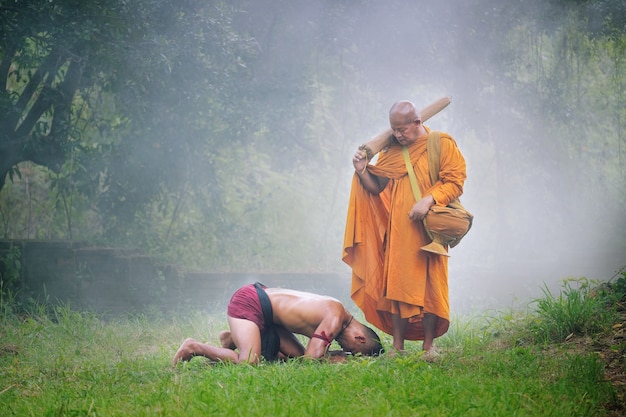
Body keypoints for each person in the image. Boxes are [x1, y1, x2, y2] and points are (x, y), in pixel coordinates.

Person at [342, 100, 467, 357]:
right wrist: (362, 171)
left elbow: (455, 181)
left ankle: (429, 346)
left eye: (403, 130)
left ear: (417, 123)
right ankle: (397, 347)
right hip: (400, 230)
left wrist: (429, 199)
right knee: (397, 287)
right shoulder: (395, 151)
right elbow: (376, 187)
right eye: (394, 130)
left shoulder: (441, 143)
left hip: (430, 231)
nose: (398, 135)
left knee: (431, 286)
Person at [171, 282, 384, 366]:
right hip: (252, 303)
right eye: (352, 350)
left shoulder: (338, 310)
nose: (345, 349)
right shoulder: (336, 317)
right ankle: (194, 347)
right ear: (360, 338)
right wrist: (338, 360)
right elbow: (311, 360)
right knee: (249, 363)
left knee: (292, 357)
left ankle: (231, 338)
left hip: (269, 315)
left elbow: (307, 356)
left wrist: (336, 356)